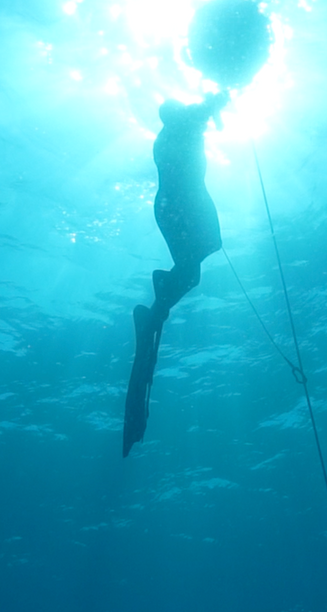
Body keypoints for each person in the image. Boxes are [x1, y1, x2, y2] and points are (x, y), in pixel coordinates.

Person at [123, 91, 230, 457]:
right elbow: (203, 110)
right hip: (180, 207)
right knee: (192, 268)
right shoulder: (179, 128)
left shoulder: (173, 133)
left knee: (192, 272)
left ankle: (161, 300)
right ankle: (162, 295)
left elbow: (202, 115)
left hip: (174, 207)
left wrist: (212, 110)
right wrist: (217, 101)